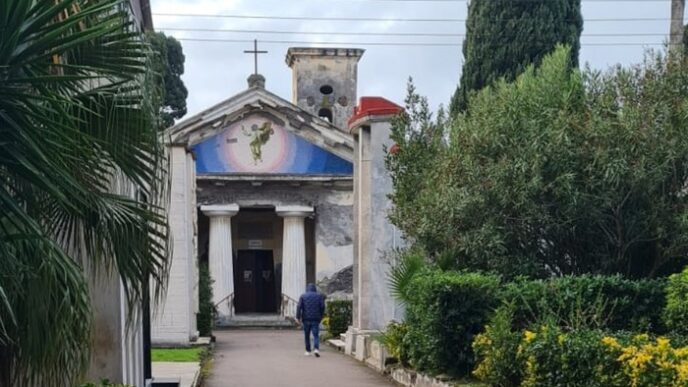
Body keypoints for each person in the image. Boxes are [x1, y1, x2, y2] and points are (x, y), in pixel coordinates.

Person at [296, 283, 325, 357]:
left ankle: (308, 351)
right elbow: (322, 306)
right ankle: (316, 349)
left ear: (307, 289)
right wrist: (321, 316)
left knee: (307, 335)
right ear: (314, 289)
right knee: (316, 335)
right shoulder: (319, 296)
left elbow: (299, 307)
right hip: (316, 318)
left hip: (306, 319)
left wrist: (298, 317)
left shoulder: (303, 296)